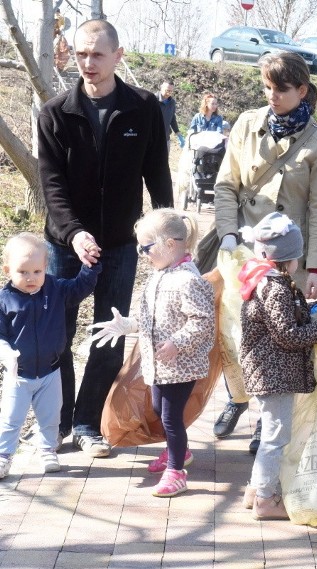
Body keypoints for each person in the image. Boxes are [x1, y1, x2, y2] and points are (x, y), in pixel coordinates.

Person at [37, 19, 173, 459]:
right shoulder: (55, 113)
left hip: (119, 244)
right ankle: (57, 424)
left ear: (118, 55)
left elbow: (158, 175)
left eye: (97, 54)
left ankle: (86, 423)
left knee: (109, 334)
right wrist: (75, 234)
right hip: (64, 246)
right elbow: (51, 186)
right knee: (56, 333)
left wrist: (168, 233)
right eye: (81, 54)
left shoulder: (144, 107)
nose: (88, 63)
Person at [212, 51, 317, 449]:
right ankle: (237, 396)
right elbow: (226, 185)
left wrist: (315, 268)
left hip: (286, 258)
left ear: (302, 90)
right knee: (230, 334)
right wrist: (228, 234)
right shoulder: (247, 124)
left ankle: (269, 422)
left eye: (281, 89)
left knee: (279, 341)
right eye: (266, 87)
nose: (272, 96)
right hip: (242, 250)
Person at [88, 209, 215, 497]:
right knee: (159, 410)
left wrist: (178, 343)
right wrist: (127, 325)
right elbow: (149, 318)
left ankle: (176, 471)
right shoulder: (159, 275)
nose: (142, 253)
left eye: (146, 248)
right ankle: (177, 452)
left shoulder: (188, 280)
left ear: (170, 244)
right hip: (159, 365)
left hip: (181, 364)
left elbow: (203, 320)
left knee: (169, 417)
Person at [236, 212, 317, 519]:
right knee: (276, 437)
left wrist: (308, 312)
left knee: (271, 432)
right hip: (273, 373)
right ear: (289, 259)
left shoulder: (264, 280)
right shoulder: (276, 287)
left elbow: (282, 319)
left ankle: (254, 490)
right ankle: (266, 500)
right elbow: (287, 334)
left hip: (267, 369)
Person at [0, 233, 101, 479]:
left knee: (51, 415)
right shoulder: (5, 300)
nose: (31, 278)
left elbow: (79, 288)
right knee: (11, 418)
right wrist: (5, 352)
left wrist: (91, 266)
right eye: (23, 272)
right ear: (7, 270)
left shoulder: (54, 289)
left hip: (50, 371)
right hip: (18, 374)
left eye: (37, 271)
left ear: (46, 267)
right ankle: (3, 457)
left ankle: (47, 450)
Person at [158, 80, 184, 152]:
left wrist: (178, 133)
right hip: (153, 138)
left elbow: (172, 118)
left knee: (164, 162)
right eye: (167, 90)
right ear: (161, 87)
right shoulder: (153, 100)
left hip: (166, 138)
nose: (168, 93)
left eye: (171, 91)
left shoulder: (172, 102)